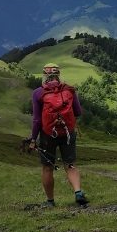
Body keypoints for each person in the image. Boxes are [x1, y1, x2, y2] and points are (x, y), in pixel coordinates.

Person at [28, 63, 88, 207]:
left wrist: (33, 138)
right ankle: (78, 192)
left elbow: (37, 120)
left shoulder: (38, 93)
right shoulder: (69, 90)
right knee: (70, 164)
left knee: (47, 167)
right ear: (58, 74)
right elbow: (78, 112)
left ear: (44, 75)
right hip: (67, 132)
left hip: (48, 134)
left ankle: (50, 201)